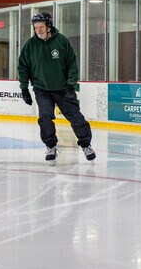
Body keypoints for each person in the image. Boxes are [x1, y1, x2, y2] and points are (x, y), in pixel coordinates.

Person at [18, 12, 96, 164]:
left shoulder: (61, 41)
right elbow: (23, 67)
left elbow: (72, 64)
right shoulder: (30, 44)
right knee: (45, 117)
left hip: (63, 88)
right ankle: (51, 147)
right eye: (36, 27)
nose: (38, 30)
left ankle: (86, 145)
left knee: (76, 117)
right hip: (42, 89)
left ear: (48, 26)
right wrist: (24, 88)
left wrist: (70, 84)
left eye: (41, 26)